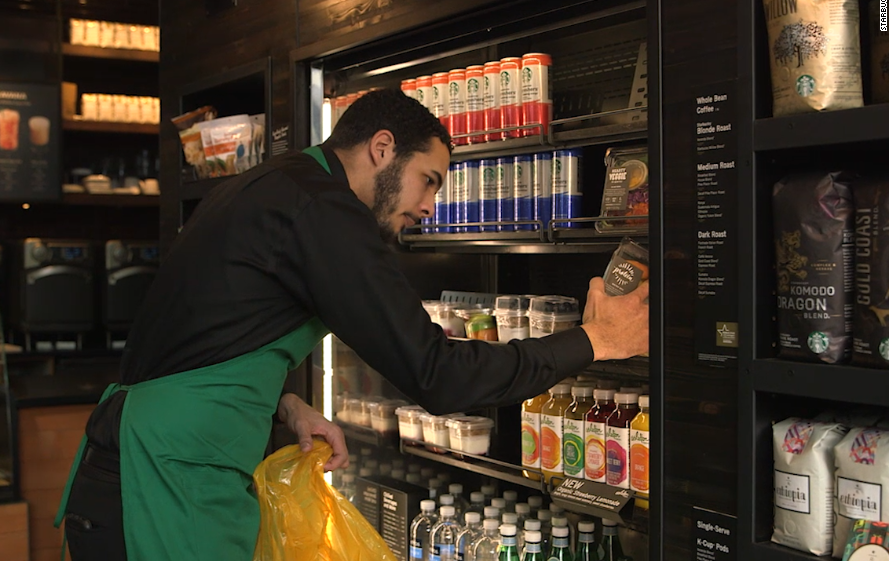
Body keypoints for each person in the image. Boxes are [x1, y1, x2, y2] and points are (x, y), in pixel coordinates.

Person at [56, 89, 649, 560]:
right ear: (383, 148)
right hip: (163, 480)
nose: (429, 208)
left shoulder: (279, 184)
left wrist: (285, 405)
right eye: (430, 180)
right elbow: (438, 375)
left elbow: (203, 332)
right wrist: (597, 340)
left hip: (143, 463)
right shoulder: (326, 213)